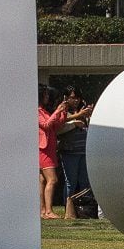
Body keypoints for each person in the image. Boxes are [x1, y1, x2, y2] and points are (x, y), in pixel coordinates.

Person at [57, 89, 93, 219]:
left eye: (78, 98)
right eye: (73, 98)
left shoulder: (82, 112)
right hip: (69, 151)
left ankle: (84, 211)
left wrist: (88, 115)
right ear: (67, 98)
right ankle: (69, 211)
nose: (76, 100)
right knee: (70, 182)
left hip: (83, 150)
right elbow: (58, 127)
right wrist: (75, 121)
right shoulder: (62, 111)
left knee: (84, 182)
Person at [37, 86, 68, 219]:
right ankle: (48, 210)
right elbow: (46, 125)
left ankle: (43, 210)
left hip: (49, 148)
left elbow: (57, 126)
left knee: (43, 180)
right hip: (43, 150)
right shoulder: (37, 111)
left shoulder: (44, 111)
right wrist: (57, 111)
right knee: (52, 179)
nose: (47, 97)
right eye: (45, 95)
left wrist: (63, 112)